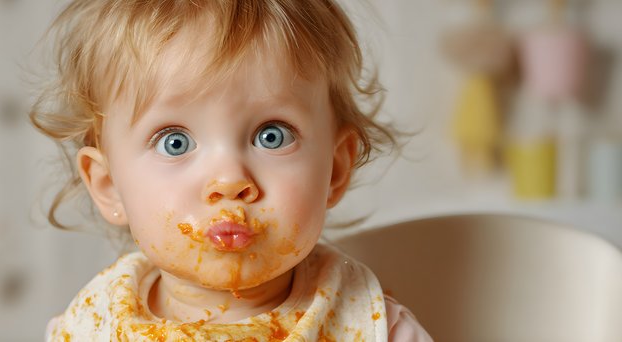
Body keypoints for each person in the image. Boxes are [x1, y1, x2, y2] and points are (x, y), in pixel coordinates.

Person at [31, 0, 432, 340]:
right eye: (176, 142)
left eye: (272, 136)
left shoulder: (373, 328)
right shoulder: (89, 327)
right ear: (109, 186)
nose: (229, 180)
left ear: (335, 169)